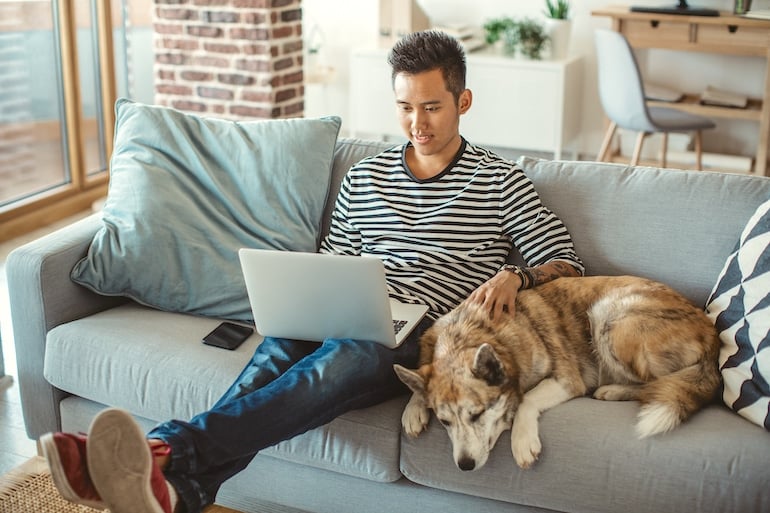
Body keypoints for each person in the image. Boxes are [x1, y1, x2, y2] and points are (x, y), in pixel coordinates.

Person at [41, 30, 584, 513]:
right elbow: (332, 260)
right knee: (269, 362)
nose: (417, 123)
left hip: (422, 332)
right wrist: (309, 293)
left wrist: (518, 276)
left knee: (336, 363)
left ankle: (163, 449)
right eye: (404, 107)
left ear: (463, 101)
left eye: (432, 107)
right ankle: (181, 492)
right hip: (346, 307)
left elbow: (567, 261)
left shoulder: (499, 180)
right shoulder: (366, 176)